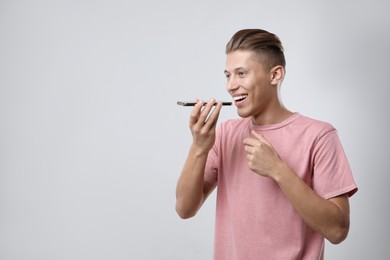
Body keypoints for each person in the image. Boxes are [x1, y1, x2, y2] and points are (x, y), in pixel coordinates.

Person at [175, 28, 358, 259]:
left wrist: (278, 170)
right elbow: (184, 208)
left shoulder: (320, 136)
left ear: (275, 75)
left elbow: (338, 230)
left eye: (241, 73)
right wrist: (199, 147)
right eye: (227, 75)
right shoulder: (225, 134)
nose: (230, 85)